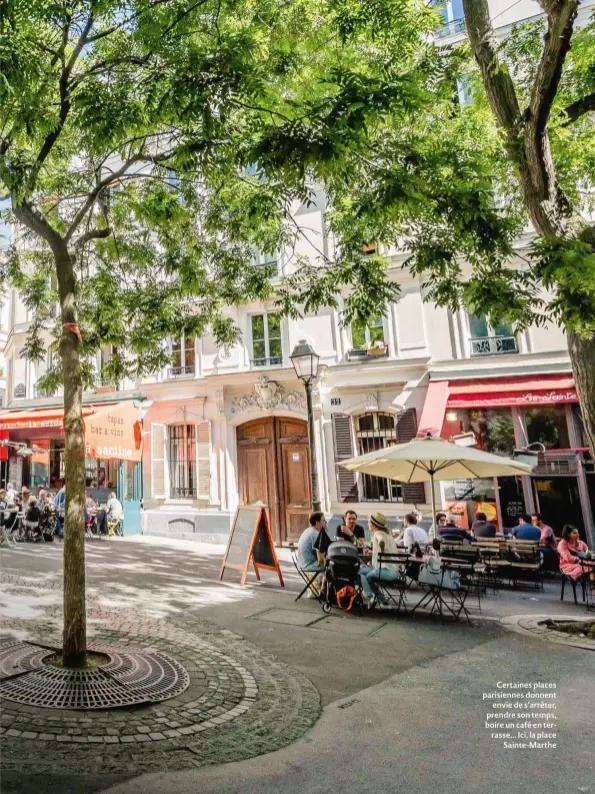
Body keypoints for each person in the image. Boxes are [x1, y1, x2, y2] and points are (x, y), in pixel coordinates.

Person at [359, 513, 401, 605]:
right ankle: (381, 600)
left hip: (385, 571)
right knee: (362, 572)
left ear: (373, 524)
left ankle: (369, 595)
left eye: (368, 522)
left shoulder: (377, 533)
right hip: (394, 571)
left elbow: (381, 540)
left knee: (361, 573)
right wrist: (373, 552)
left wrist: (382, 549)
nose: (368, 524)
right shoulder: (388, 533)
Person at [557, 525, 594, 591]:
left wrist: (591, 556)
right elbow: (568, 558)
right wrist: (580, 559)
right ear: (568, 534)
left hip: (582, 563)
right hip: (568, 565)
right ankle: (592, 585)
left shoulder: (581, 543)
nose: (578, 534)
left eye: (577, 533)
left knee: (591, 566)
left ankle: (592, 586)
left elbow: (590, 554)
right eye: (575, 533)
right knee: (585, 567)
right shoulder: (562, 544)